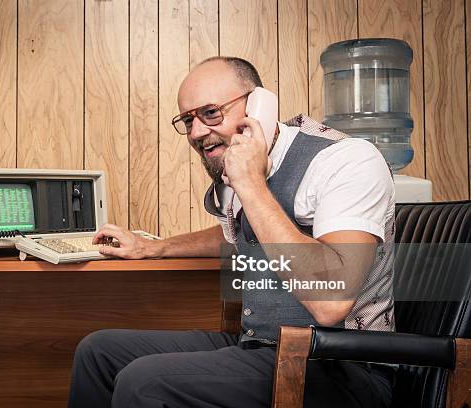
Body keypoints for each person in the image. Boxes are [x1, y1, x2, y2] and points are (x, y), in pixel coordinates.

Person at [67, 56, 395, 408]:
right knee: (98, 352)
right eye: (188, 120)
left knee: (144, 383)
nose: (195, 133)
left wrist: (251, 185)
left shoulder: (346, 161)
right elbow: (236, 234)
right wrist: (155, 247)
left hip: (344, 369)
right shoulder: (243, 173)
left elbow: (332, 301)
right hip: (264, 347)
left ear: (258, 106)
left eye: (211, 113)